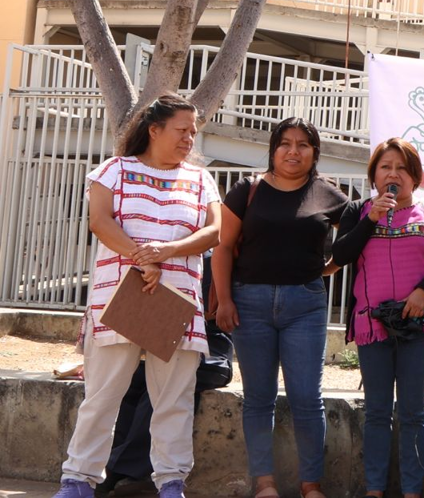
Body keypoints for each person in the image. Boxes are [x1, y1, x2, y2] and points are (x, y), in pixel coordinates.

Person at [53, 94, 222, 498]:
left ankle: (171, 483)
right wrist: (141, 258)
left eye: (193, 132)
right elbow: (100, 221)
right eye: (182, 130)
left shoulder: (201, 179)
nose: (189, 139)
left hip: (177, 301)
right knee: (103, 395)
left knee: (174, 399)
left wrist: (165, 253)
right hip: (119, 299)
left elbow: (214, 232)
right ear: (154, 130)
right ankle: (77, 481)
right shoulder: (115, 170)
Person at [211, 118, 349, 498]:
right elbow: (222, 248)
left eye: (303, 144)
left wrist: (327, 268)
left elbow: (353, 243)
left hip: (305, 304)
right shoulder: (247, 190)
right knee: (258, 396)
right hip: (248, 303)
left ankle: (311, 485)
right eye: (285, 143)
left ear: (314, 152)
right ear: (273, 149)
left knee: (307, 397)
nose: (293, 151)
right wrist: (224, 299)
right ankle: (265, 483)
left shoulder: (329, 195)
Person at [331, 137, 424, 498]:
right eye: (386, 167)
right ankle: (374, 489)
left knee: (413, 411)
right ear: (374, 175)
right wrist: (370, 218)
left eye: (402, 168)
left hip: (419, 324)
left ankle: (412, 490)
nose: (394, 174)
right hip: (371, 325)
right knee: (376, 411)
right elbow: (341, 254)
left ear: (415, 177)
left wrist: (422, 291)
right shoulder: (358, 210)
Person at [97, 253, 234, 497]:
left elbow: (218, 318)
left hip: (209, 349)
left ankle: (125, 471)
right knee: (134, 380)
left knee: (161, 389)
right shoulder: (157, 262)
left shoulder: (213, 262)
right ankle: (119, 469)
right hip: (162, 343)